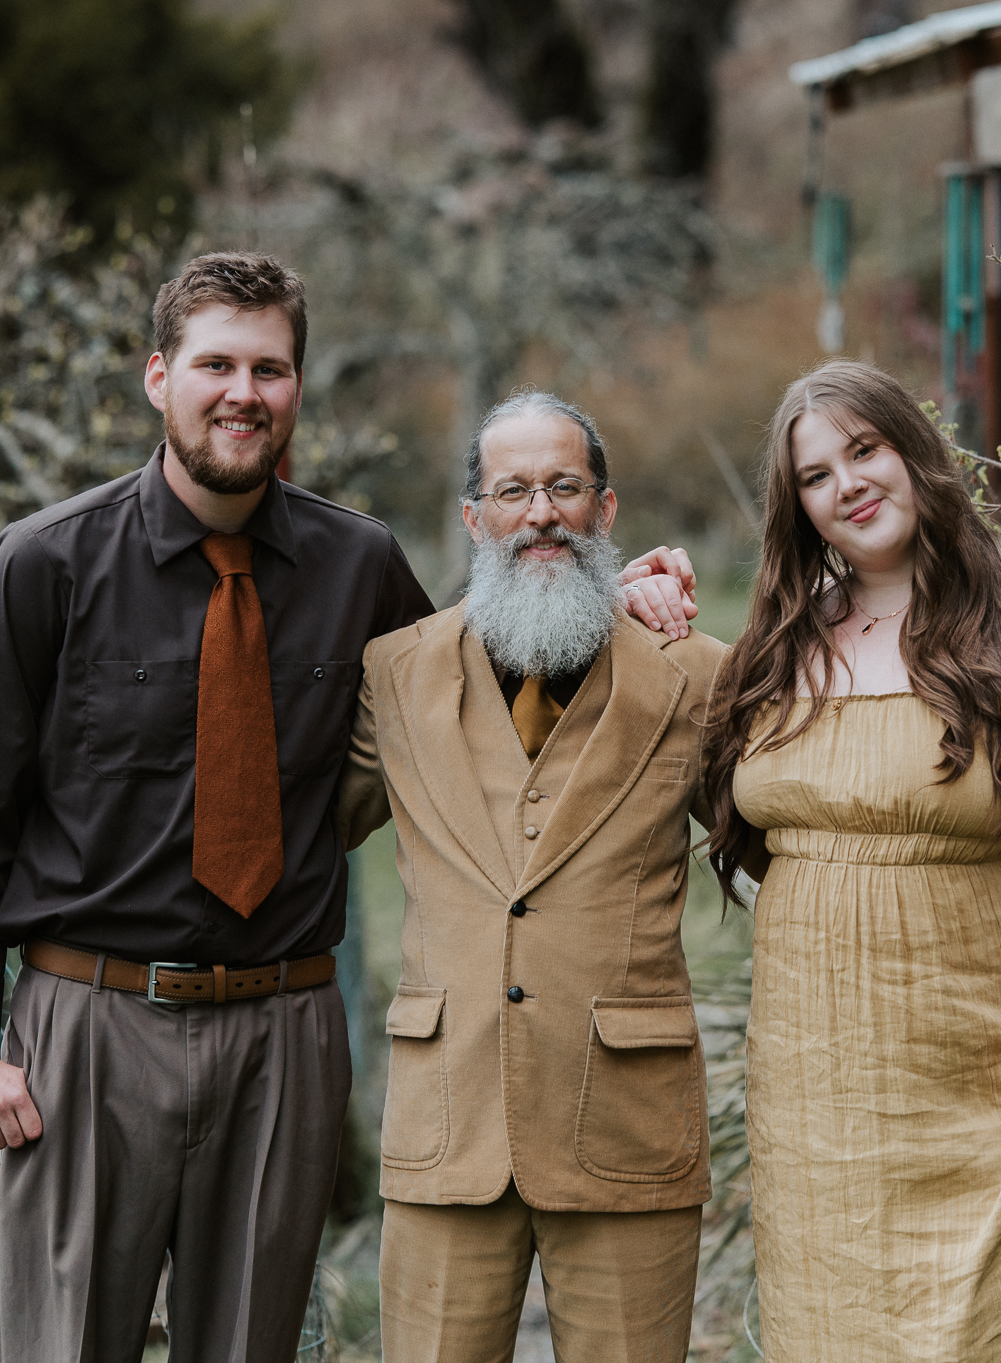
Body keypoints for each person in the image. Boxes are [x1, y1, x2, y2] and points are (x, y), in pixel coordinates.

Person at [0, 255, 697, 1363]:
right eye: (216, 365)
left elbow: (471, 688)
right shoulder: (45, 563)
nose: (242, 392)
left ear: (296, 386)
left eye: (269, 368)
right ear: (159, 377)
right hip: (91, 1025)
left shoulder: (358, 563)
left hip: (281, 1031)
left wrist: (602, 591)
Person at [700, 359, 1001, 1363]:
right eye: (815, 475)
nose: (847, 485)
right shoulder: (778, 644)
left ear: (914, 451)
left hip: (985, 1074)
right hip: (813, 1091)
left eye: (864, 451)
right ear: (797, 506)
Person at [337, 390, 727, 1363]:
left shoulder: (694, 675)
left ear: (605, 508)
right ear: (474, 518)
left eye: (564, 487)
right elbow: (309, 823)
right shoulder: (391, 674)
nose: (541, 513)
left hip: (627, 1125)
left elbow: (785, 834)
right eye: (513, 491)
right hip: (446, 1121)